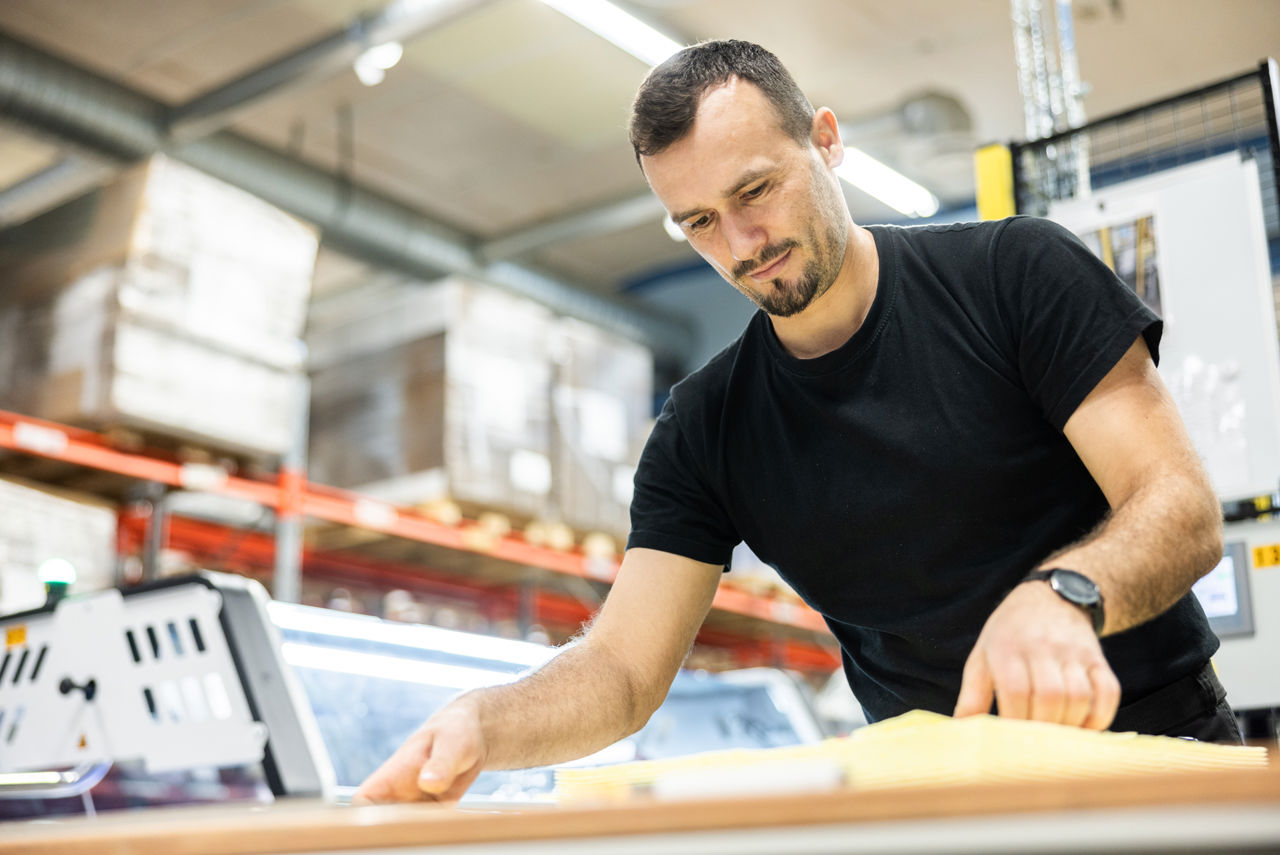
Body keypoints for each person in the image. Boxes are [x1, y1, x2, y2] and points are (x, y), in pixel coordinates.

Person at [354, 39, 1234, 803]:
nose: (741, 242)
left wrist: (1066, 594)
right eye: (698, 220)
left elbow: (1181, 505)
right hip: (945, 803)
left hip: (1156, 760)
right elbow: (621, 670)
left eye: (756, 190)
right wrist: (484, 721)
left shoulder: (1016, 276)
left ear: (826, 139)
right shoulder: (705, 428)